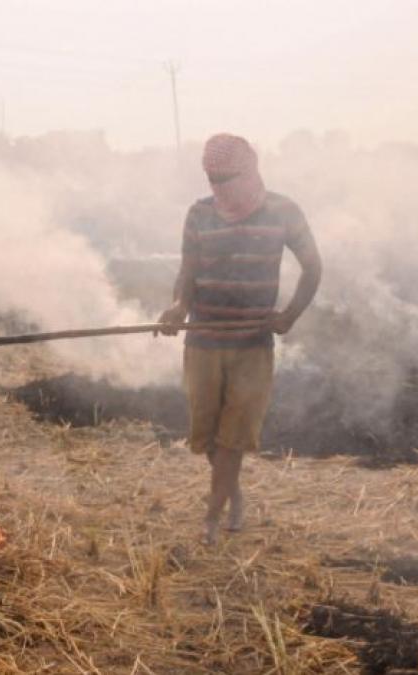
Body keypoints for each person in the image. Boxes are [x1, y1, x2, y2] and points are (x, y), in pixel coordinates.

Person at [159, 133, 322, 545]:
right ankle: (231, 491)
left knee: (233, 438)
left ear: (249, 171)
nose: (219, 188)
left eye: (227, 178)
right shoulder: (199, 214)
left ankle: (212, 517)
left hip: (252, 346)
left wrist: (290, 315)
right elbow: (188, 274)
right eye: (212, 179)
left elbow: (313, 266)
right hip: (203, 343)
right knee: (212, 439)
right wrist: (179, 307)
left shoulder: (283, 211)